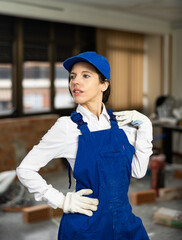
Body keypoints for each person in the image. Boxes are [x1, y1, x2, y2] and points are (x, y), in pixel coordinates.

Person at [16, 51, 153, 240]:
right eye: (72, 77)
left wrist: (145, 125)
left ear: (103, 84)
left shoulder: (122, 124)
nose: (75, 82)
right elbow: (25, 169)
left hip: (124, 222)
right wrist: (62, 200)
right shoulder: (67, 127)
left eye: (85, 75)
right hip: (87, 226)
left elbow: (137, 172)